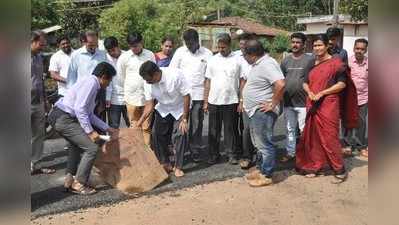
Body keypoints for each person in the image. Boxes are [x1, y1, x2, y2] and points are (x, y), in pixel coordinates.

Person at [295, 34, 358, 183]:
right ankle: (316, 166)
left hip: (328, 104)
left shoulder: (336, 63)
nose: (317, 48)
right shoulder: (311, 63)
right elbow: (305, 82)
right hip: (313, 103)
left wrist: (322, 92)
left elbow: (342, 84)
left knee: (330, 137)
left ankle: (339, 168)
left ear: (327, 46)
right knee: (313, 137)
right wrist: (310, 92)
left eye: (320, 45)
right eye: (315, 46)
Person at [49, 62, 118, 195]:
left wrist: (108, 128)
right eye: (109, 80)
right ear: (103, 77)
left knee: (75, 146)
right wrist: (90, 132)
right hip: (63, 117)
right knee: (91, 148)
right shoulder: (92, 83)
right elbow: (80, 109)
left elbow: (89, 114)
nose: (108, 84)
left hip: (60, 116)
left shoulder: (92, 84)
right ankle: (79, 183)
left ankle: (69, 181)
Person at [242, 40, 285, 187]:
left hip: (263, 111)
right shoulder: (259, 64)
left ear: (252, 54)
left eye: (244, 55)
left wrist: (273, 103)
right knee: (259, 144)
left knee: (265, 144)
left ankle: (267, 174)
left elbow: (280, 84)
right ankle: (261, 169)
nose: (244, 58)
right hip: (256, 111)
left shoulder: (267, 63)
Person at [137, 61, 191, 177]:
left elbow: (186, 96)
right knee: (156, 133)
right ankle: (165, 163)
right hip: (163, 108)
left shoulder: (175, 75)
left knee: (180, 134)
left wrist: (184, 118)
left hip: (179, 108)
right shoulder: (147, 83)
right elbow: (150, 105)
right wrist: (140, 122)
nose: (147, 82)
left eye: (149, 79)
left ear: (156, 74)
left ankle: (178, 166)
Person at [169, 29, 213, 162]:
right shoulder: (180, 52)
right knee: (181, 122)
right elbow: (172, 72)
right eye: (187, 44)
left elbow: (209, 77)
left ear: (197, 41)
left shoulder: (207, 54)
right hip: (182, 95)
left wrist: (207, 99)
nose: (189, 46)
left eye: (191, 44)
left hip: (199, 94)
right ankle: (181, 150)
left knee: (197, 123)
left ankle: (195, 149)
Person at [203, 33, 242, 165]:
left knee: (230, 129)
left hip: (231, 100)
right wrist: (205, 101)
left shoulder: (237, 60)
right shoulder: (212, 60)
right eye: (219, 47)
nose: (221, 50)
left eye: (223, 47)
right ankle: (214, 155)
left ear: (229, 45)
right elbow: (207, 81)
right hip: (214, 100)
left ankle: (231, 154)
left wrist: (241, 100)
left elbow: (242, 81)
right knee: (213, 130)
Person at [279, 32, 314, 162]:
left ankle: (306, 154)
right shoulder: (286, 60)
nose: (295, 44)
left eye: (298, 42)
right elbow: (280, 79)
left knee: (305, 130)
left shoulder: (310, 60)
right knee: (289, 129)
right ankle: (291, 152)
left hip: (304, 102)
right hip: (288, 102)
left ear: (304, 45)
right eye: (293, 42)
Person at [118, 32, 156, 146]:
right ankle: (137, 151)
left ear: (141, 43)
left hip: (147, 98)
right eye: (131, 46)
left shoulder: (150, 55)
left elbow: (153, 74)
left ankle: (147, 151)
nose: (134, 48)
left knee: (146, 126)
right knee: (134, 126)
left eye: (136, 45)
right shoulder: (124, 57)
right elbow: (121, 77)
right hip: (131, 98)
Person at [67, 30, 107, 122]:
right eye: (90, 44)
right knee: (84, 120)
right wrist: (71, 96)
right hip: (82, 94)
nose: (93, 47)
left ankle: (100, 136)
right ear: (83, 41)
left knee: (99, 121)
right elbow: (71, 78)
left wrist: (106, 96)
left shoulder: (102, 54)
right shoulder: (76, 55)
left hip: (99, 94)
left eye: (95, 44)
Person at [31, 30, 56, 175]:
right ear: (32, 41)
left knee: (38, 135)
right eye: (41, 44)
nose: (43, 47)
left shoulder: (39, 57)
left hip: (38, 102)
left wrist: (45, 99)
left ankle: (35, 164)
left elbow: (41, 80)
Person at [342, 38, 368, 157]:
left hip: (364, 98)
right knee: (347, 122)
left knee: (361, 122)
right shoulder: (347, 62)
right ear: (353, 48)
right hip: (349, 98)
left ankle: (360, 146)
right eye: (357, 48)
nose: (359, 51)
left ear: (366, 50)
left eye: (362, 49)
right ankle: (347, 145)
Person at [235, 33, 256, 169]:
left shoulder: (266, 61)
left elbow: (278, 84)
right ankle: (247, 156)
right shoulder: (243, 61)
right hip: (246, 102)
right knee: (246, 129)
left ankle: (261, 158)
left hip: (261, 104)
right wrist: (241, 101)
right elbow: (243, 81)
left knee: (260, 130)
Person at [103, 36, 130, 128]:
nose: (112, 53)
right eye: (109, 51)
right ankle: (114, 143)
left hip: (129, 98)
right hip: (113, 99)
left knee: (132, 125)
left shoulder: (128, 56)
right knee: (113, 127)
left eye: (113, 50)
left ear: (118, 46)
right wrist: (107, 97)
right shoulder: (105, 59)